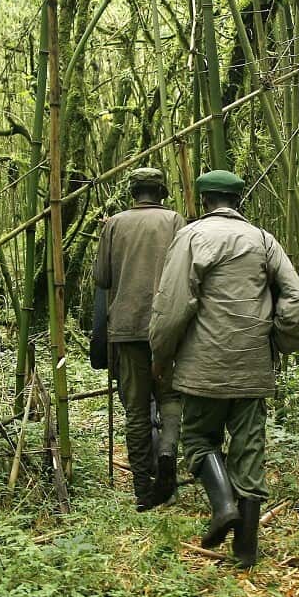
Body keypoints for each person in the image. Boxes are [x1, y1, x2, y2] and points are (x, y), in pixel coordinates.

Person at [148, 170, 299, 568]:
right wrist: (278, 343)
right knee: (250, 453)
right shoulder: (263, 239)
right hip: (252, 367)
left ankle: (223, 506)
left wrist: (161, 354)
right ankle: (246, 551)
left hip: (203, 367)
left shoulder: (191, 237)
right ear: (238, 201)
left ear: (203, 200)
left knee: (200, 440)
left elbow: (173, 307)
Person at [92, 168, 186, 512]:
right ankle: (167, 455)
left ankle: (143, 492)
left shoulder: (114, 224)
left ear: (132, 192)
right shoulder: (175, 221)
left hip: (126, 327)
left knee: (135, 411)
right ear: (161, 191)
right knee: (171, 397)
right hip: (168, 326)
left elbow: (101, 277)